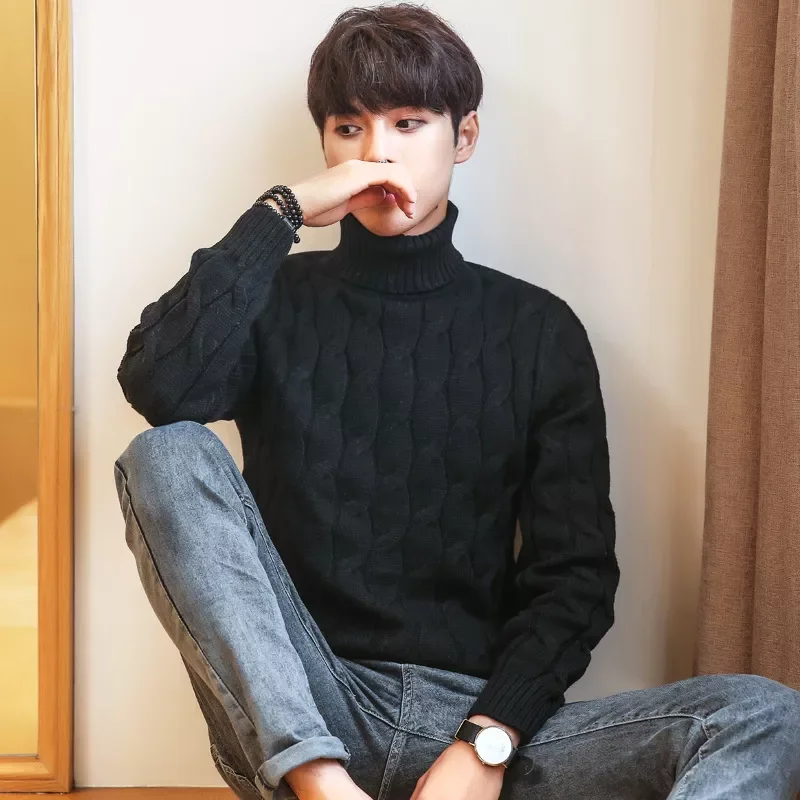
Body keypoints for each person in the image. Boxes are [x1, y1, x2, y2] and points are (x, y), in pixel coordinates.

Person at [113, 4, 800, 799]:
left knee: (764, 714)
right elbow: (159, 388)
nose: (376, 154)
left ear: (463, 136)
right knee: (167, 452)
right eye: (348, 128)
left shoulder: (537, 330)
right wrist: (281, 213)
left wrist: (485, 745)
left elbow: (574, 577)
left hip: (475, 731)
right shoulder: (274, 299)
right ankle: (319, 784)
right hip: (306, 711)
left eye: (408, 123)